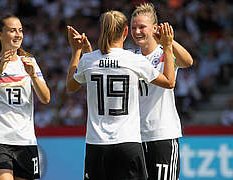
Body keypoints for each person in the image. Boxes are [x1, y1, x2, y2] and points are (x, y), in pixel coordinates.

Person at [66, 10, 175, 180]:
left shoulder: (89, 60)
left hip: (97, 143)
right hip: (128, 142)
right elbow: (169, 82)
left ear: (103, 30)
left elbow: (71, 86)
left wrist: (76, 52)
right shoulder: (133, 60)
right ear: (125, 31)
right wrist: (167, 47)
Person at [0, 14, 50, 180]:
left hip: (26, 141)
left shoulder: (30, 62)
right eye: (13, 30)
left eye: (20, 30)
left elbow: (46, 98)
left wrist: (33, 76)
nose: (18, 34)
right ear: (0, 35)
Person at [130, 3, 193, 180]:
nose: (137, 32)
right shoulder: (130, 57)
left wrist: (168, 42)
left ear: (155, 28)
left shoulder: (165, 53)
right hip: (135, 136)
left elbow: (188, 62)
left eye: (142, 27)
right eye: (133, 27)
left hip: (162, 134)